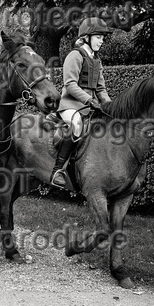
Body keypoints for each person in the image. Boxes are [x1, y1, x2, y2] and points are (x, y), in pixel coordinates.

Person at [50, 17, 113, 188]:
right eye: (99, 37)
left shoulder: (96, 61)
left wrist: (110, 106)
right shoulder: (75, 55)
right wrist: (89, 100)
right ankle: (58, 170)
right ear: (87, 37)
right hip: (71, 106)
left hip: (89, 107)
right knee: (76, 126)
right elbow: (70, 84)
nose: (102, 40)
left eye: (102, 37)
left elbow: (101, 89)